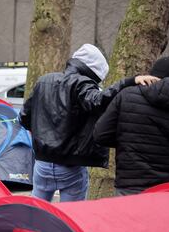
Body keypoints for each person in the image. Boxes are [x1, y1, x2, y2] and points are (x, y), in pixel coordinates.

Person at [20, 43, 158, 202]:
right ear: (94, 72)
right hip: (70, 166)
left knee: (37, 213)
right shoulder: (81, 84)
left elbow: (24, 117)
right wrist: (130, 81)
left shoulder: (43, 81)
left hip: (42, 164)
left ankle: (33, 227)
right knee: (72, 217)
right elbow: (99, 101)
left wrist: (41, 137)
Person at [93, 56, 169, 196]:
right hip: (165, 189)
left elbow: (100, 134)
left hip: (128, 185)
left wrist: (127, 141)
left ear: (152, 74)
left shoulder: (126, 96)